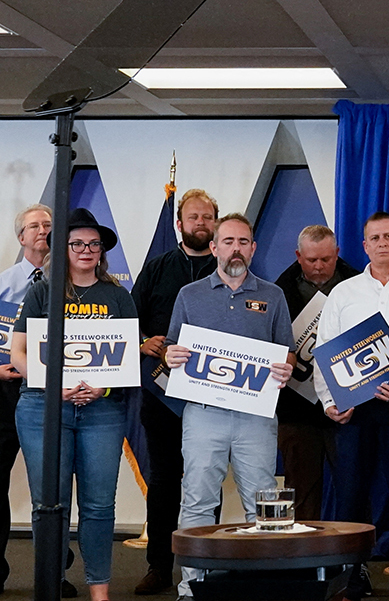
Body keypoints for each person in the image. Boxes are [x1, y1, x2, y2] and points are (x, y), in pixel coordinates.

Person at [163, 214, 294, 599]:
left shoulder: (273, 296)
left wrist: (284, 369)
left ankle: (267, 582)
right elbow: (172, 345)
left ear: (253, 248)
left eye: (244, 241)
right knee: (198, 498)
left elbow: (285, 350)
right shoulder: (190, 294)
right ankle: (192, 585)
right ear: (215, 247)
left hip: (256, 414)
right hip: (203, 413)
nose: (236, 248)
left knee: (263, 499)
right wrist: (172, 355)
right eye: (228, 241)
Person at [11, 208, 137, 601]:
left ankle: (100, 591)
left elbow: (127, 355)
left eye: (94, 244)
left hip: (102, 410)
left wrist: (101, 387)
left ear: (102, 251)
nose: (86, 250)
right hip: (43, 408)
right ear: (62, 249)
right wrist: (54, 385)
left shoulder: (118, 295)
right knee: (51, 505)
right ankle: (48, 585)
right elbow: (17, 353)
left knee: (100, 506)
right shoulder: (42, 291)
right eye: (77, 243)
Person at [312, 212, 389, 601]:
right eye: (373, 238)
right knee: (351, 496)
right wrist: (331, 403)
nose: (381, 242)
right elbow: (323, 353)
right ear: (364, 246)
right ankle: (353, 579)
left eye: (388, 236)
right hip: (354, 409)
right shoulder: (343, 293)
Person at [128, 188, 218, 595]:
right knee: (165, 479)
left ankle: (210, 566)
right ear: (179, 224)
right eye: (193, 217)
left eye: (207, 217)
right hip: (161, 395)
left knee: (208, 479)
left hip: (215, 394)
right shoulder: (158, 267)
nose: (200, 223)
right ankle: (159, 567)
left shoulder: (229, 267)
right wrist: (143, 339)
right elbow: (128, 317)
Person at [273, 224, 359, 521]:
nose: (320, 266)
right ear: (299, 256)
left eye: (327, 259)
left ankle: (354, 562)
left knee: (354, 489)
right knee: (301, 491)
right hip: (296, 411)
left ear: (337, 253)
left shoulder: (360, 284)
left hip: (349, 407)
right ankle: (303, 561)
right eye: (312, 260)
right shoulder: (277, 292)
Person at [0, 203, 52, 593]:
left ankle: (54, 571)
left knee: (49, 486)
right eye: (34, 226)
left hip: (50, 394)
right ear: (21, 238)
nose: (42, 231)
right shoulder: (3, 283)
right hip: (4, 392)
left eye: (49, 225)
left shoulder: (70, 283)